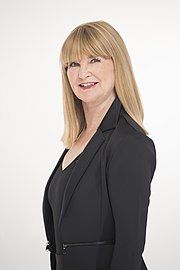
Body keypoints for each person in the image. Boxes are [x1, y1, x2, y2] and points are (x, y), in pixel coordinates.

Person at [42, 20, 156, 270]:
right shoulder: (78, 140)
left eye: (94, 60)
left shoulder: (129, 144)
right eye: (73, 64)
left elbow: (129, 249)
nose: (83, 74)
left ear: (118, 64)